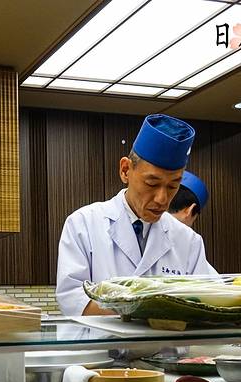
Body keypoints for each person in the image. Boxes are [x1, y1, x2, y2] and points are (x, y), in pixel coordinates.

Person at [56, 114, 216, 317]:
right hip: (103, 339)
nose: (162, 199)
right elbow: (72, 299)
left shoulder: (188, 240)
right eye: (152, 184)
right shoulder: (83, 224)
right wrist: (147, 314)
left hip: (168, 340)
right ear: (125, 170)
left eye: (172, 186)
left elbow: (208, 299)